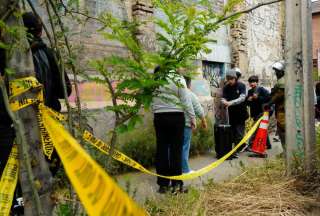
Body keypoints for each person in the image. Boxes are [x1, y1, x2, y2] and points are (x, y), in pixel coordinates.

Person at [152, 66, 196, 194]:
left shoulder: (155, 80)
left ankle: (163, 185)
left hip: (159, 117)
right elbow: (185, 100)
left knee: (161, 150)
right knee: (176, 151)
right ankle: (176, 185)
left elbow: (150, 102)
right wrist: (192, 117)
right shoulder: (178, 78)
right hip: (176, 117)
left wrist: (155, 114)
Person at [182, 77, 207, 174]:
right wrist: (203, 120)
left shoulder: (175, 94)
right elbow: (198, 108)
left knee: (175, 147)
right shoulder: (190, 94)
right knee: (184, 147)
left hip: (175, 123)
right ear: (189, 84)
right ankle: (185, 169)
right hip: (187, 124)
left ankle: (174, 169)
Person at [221, 69, 248, 158]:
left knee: (239, 133)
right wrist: (224, 101)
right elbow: (223, 98)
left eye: (231, 79)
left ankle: (240, 146)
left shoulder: (241, 86)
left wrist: (230, 103)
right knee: (232, 133)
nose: (229, 81)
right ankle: (235, 150)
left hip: (241, 113)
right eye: (228, 79)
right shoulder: (226, 87)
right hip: (231, 114)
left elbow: (242, 98)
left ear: (235, 78)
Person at [246, 75, 271, 150]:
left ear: (257, 82)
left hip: (262, 112)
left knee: (255, 128)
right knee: (261, 128)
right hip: (255, 113)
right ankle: (268, 144)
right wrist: (249, 100)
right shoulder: (250, 91)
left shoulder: (261, 89)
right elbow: (248, 103)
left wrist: (258, 98)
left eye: (253, 82)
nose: (252, 84)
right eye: (250, 82)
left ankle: (251, 144)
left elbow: (268, 98)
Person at [266, 61, 285, 150]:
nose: (276, 73)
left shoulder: (282, 81)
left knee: (283, 130)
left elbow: (278, 95)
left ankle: (287, 151)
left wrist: (268, 104)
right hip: (281, 110)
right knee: (281, 130)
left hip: (283, 111)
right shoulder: (282, 80)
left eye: (277, 71)